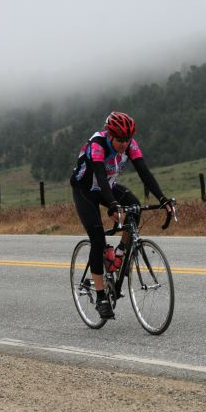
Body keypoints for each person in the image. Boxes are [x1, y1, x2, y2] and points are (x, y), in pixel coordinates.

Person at [70, 111, 172, 320]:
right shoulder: (97, 145)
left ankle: (120, 251)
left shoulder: (131, 145)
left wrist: (162, 199)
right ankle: (100, 297)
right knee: (97, 238)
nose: (124, 144)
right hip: (85, 190)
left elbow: (145, 172)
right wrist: (113, 205)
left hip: (108, 185)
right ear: (110, 135)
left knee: (134, 205)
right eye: (120, 140)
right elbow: (99, 175)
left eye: (127, 139)